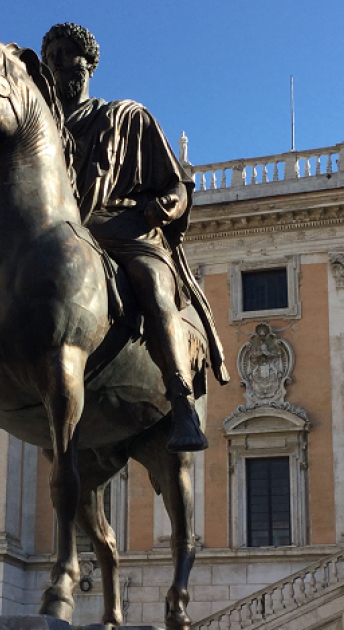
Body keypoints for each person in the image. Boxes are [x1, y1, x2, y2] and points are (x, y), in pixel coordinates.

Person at [41, 22, 228, 452]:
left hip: (126, 230)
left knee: (153, 286)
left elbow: (177, 185)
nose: (53, 65)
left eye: (63, 55)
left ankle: (181, 403)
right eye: (49, 57)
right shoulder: (40, 132)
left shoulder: (127, 118)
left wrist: (167, 205)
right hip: (64, 233)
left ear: (86, 66)